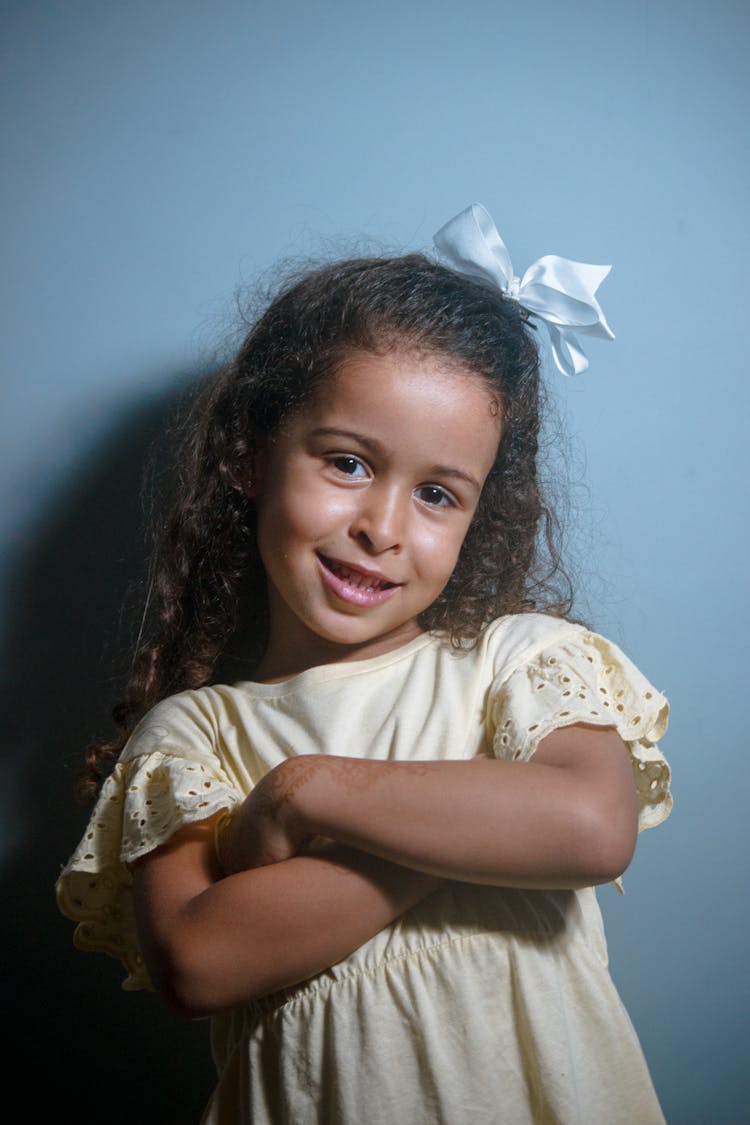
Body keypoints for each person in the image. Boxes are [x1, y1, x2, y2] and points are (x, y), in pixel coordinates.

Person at [57, 204, 671, 1124]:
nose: (382, 528)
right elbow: (200, 960)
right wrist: (483, 824)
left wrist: (309, 793)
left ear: (478, 519)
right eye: (347, 462)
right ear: (251, 456)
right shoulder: (194, 733)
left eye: (435, 493)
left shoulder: (524, 661)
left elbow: (587, 826)